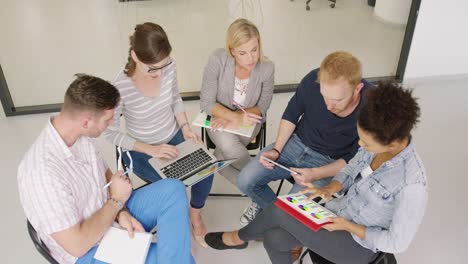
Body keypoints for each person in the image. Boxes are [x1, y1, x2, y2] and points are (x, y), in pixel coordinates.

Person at [204, 81, 428, 264]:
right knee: (273, 239)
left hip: (360, 247)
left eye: (366, 143)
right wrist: (332, 187)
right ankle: (240, 238)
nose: (361, 144)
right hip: (338, 213)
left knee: (282, 209)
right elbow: (352, 168)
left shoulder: (412, 185)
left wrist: (348, 226)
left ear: (393, 143)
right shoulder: (375, 141)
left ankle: (237, 238)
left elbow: (396, 243)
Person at [18, 74, 194, 264]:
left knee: (173, 188)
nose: (111, 125)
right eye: (108, 120)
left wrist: (122, 212)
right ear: (86, 122)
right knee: (177, 258)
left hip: (110, 214)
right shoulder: (40, 173)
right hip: (86, 251)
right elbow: (78, 245)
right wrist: (117, 201)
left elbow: (107, 177)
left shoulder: (82, 137)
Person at [103, 22, 210, 244]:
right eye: (152, 68)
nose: (159, 73)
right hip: (142, 150)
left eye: (164, 65)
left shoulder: (169, 67)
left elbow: (175, 99)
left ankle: (195, 214)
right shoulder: (120, 87)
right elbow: (112, 134)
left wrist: (186, 129)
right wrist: (152, 149)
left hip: (174, 137)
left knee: (206, 168)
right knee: (175, 187)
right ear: (134, 56)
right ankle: (175, 232)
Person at [237, 51, 372, 225]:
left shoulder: (372, 106)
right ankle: (275, 220)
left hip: (329, 163)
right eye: (325, 96)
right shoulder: (313, 79)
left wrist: (316, 173)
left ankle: (279, 223)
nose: (329, 106)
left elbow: (355, 159)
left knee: (294, 209)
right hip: (295, 144)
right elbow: (291, 114)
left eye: (337, 100)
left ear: (357, 89)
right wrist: (277, 149)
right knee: (245, 180)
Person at [200, 18, 274, 186]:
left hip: (249, 120)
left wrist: (237, 117)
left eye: (254, 50)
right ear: (232, 50)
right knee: (227, 145)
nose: (251, 58)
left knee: (222, 156)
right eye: (243, 53)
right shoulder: (217, 60)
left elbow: (263, 105)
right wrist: (232, 117)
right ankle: (258, 186)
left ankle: (253, 187)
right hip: (218, 118)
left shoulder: (267, 68)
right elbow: (206, 102)